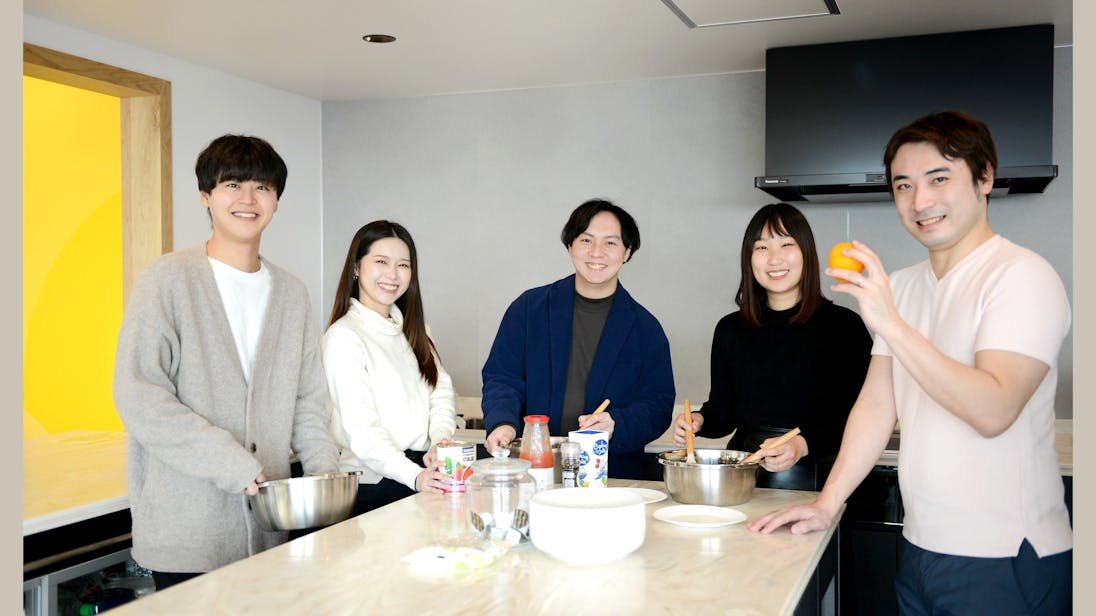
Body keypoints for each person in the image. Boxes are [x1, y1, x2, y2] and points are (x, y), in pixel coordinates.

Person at [750, 111, 1072, 614]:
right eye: (904, 185)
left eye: (939, 179)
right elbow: (877, 407)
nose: (920, 201)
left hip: (1005, 554)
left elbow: (993, 410)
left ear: (985, 177)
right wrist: (827, 503)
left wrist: (893, 324)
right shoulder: (901, 286)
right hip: (921, 548)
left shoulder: (1022, 276)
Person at [113, 135, 340, 590]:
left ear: (276, 201)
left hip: (270, 531)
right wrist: (231, 463)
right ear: (206, 196)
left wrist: (326, 483)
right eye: (233, 185)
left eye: (262, 187)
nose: (248, 199)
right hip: (188, 529)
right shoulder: (167, 280)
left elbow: (308, 402)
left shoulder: (292, 293)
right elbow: (139, 396)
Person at [672, 203, 871, 490]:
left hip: (822, 479)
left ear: (807, 253)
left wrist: (803, 444)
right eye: (762, 247)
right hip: (744, 476)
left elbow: (862, 415)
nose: (774, 259)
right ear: (749, 258)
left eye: (786, 244)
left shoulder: (844, 326)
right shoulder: (731, 329)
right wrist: (698, 421)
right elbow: (723, 413)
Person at [481, 199, 675, 480]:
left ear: (627, 252)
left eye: (610, 243)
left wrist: (616, 424)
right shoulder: (529, 309)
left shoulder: (646, 329)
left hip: (610, 477)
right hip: (533, 471)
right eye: (586, 240)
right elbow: (502, 377)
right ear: (570, 245)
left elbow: (658, 405)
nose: (596, 252)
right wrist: (502, 422)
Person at [322, 220, 455, 515]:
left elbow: (441, 392)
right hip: (377, 482)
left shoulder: (415, 331)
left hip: (422, 472)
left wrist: (440, 442)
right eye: (381, 262)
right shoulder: (344, 337)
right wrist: (414, 476)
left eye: (403, 265)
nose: (393, 274)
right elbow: (362, 430)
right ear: (356, 268)